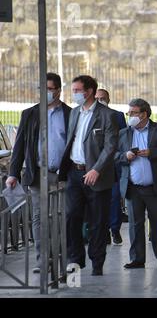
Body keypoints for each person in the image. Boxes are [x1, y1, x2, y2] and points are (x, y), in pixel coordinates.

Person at [6, 73, 71, 274]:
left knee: (62, 217)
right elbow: (19, 147)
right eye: (43, 89)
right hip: (37, 174)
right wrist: (13, 173)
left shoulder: (70, 114)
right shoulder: (30, 114)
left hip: (62, 174)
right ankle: (42, 260)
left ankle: (63, 258)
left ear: (59, 90)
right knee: (39, 217)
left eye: (50, 89)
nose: (46, 93)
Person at [58, 75, 118, 276]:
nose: (74, 94)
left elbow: (110, 147)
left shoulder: (107, 115)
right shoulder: (74, 113)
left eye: (77, 90)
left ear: (90, 91)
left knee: (98, 221)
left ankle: (97, 261)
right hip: (74, 173)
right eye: (73, 90)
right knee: (71, 216)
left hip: (97, 176)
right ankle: (75, 259)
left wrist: (96, 169)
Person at [116, 99, 157, 268]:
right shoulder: (124, 133)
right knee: (135, 225)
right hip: (133, 188)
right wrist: (125, 156)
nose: (130, 116)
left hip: (155, 187)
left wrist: (152, 152)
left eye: (133, 113)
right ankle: (137, 258)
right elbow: (114, 155)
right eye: (129, 113)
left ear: (144, 114)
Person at [94, 88, 127, 245]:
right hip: (94, 164)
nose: (100, 101)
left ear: (108, 99)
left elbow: (123, 138)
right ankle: (103, 230)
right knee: (98, 200)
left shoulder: (117, 115)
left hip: (113, 164)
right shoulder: (89, 117)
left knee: (114, 198)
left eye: (103, 98)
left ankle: (115, 229)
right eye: (98, 98)